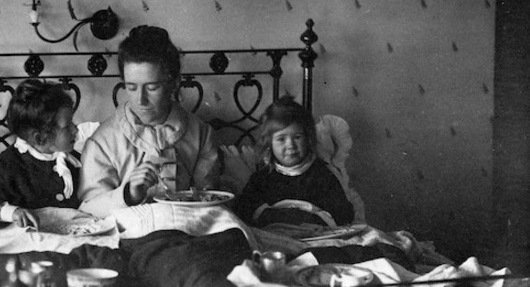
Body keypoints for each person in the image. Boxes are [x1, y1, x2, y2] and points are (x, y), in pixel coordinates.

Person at [78, 25, 219, 217]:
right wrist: (128, 194)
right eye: (131, 87)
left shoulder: (200, 133)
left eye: (152, 87)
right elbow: (88, 212)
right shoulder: (102, 142)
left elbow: (209, 200)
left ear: (174, 83)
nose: (140, 100)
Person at [0, 79, 80, 231]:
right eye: (67, 125)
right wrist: (11, 212)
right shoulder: (10, 166)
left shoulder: (75, 160)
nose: (75, 130)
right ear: (39, 138)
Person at [232, 99, 354, 228]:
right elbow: (244, 210)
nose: (290, 145)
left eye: (297, 137)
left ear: (308, 138)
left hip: (315, 236)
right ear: (269, 143)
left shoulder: (321, 175)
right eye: (281, 139)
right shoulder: (262, 178)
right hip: (275, 237)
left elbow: (343, 214)